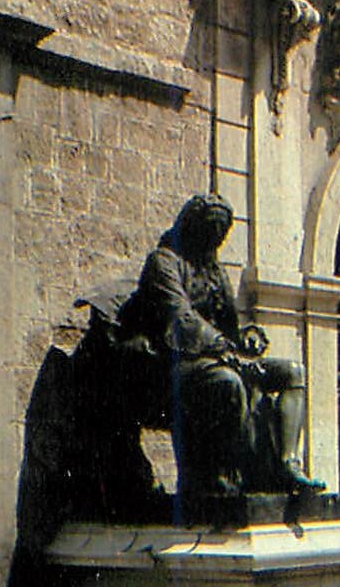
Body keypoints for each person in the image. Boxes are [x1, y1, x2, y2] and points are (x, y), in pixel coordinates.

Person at [117, 193, 323, 499]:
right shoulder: (163, 262)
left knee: (292, 373)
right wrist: (224, 348)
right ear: (192, 227)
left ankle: (285, 466)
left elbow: (230, 324)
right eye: (210, 231)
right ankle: (222, 477)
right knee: (227, 383)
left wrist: (247, 337)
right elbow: (181, 318)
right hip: (174, 361)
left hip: (218, 356)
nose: (215, 240)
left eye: (220, 233)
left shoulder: (215, 271)